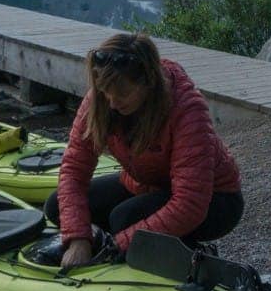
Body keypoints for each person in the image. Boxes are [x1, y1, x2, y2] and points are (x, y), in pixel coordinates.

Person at [46, 32, 243, 269]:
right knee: (56, 207)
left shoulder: (187, 109)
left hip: (214, 199)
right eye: (106, 92)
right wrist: (78, 239)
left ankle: (193, 256)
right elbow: (74, 170)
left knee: (124, 219)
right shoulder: (103, 98)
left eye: (123, 94)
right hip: (146, 186)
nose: (112, 102)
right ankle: (136, 246)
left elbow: (190, 202)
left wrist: (119, 244)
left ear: (148, 82)